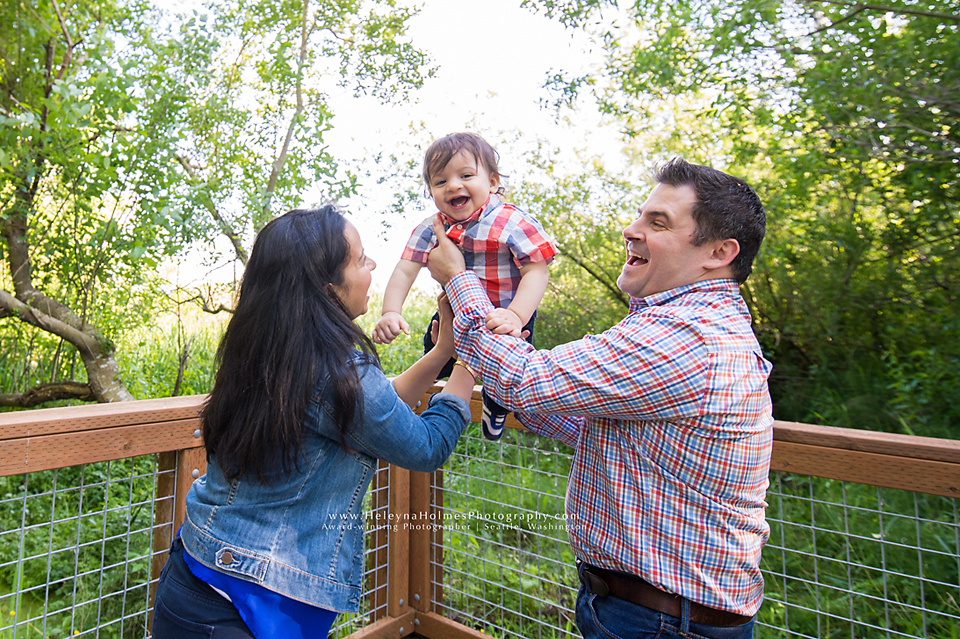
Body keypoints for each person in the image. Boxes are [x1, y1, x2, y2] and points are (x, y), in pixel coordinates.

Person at [427, 158, 773, 639]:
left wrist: (458, 280)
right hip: (645, 612)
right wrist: (521, 390)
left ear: (718, 251)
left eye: (658, 222)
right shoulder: (674, 325)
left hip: (663, 624)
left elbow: (526, 378)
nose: (631, 230)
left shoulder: (690, 336)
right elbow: (604, 427)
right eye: (640, 216)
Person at [151, 206, 475, 639]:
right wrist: (474, 359)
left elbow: (374, 413)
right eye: (360, 260)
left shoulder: (271, 345)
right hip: (246, 605)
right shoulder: (338, 368)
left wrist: (443, 352)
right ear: (327, 290)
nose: (373, 265)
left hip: (199, 570)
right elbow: (426, 446)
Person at [372, 132, 557, 441]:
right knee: (438, 357)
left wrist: (516, 315)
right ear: (431, 191)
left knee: (503, 368)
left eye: (466, 175)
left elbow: (536, 271)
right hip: (454, 313)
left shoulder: (510, 221)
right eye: (440, 181)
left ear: (493, 182)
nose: (453, 185)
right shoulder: (433, 227)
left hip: (507, 312)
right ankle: (428, 413)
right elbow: (405, 269)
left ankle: (495, 403)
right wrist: (391, 311)